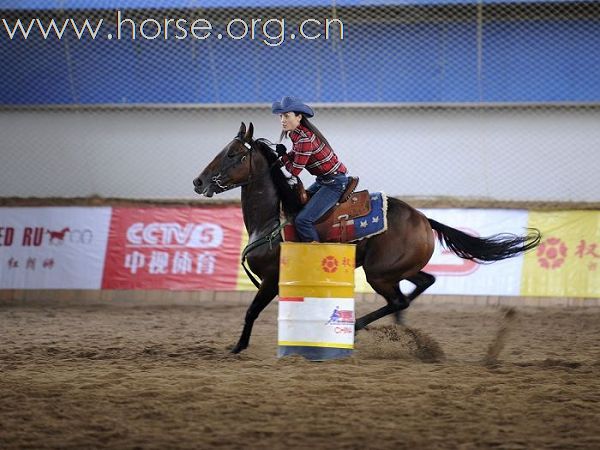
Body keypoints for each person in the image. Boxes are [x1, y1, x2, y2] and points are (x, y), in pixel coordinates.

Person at [272, 96, 349, 242]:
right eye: (281, 116)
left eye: (287, 116)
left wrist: (284, 156)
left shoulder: (305, 139)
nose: (282, 120)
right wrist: (281, 158)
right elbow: (294, 156)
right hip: (324, 180)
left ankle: (315, 256)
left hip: (334, 183)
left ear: (299, 117)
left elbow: (294, 171)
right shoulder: (297, 135)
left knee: (303, 220)